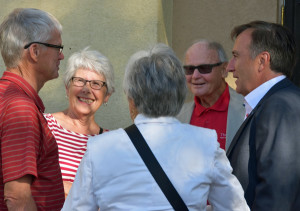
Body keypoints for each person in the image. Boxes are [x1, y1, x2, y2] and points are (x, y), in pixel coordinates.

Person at [62, 43, 249, 211]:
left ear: (132, 97)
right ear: (178, 94)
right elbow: (235, 207)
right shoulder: (205, 143)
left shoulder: (100, 148)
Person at [226, 20, 300, 210]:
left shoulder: (279, 106)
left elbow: (278, 194)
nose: (229, 67)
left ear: (262, 61)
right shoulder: (273, 103)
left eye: (236, 56)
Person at [0, 8, 65, 210]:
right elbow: (17, 198)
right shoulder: (20, 107)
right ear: (35, 51)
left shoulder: (7, 95)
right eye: (58, 47)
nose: (61, 56)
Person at [44, 47, 115, 197]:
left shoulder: (112, 142)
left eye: (96, 84)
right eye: (79, 81)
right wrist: (88, 195)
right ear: (66, 87)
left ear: (107, 95)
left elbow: (112, 197)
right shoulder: (44, 125)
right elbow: (33, 181)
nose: (86, 89)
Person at [177, 40, 244, 151]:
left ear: (223, 70)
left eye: (204, 68)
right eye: (189, 69)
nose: (195, 76)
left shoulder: (247, 109)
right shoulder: (178, 116)